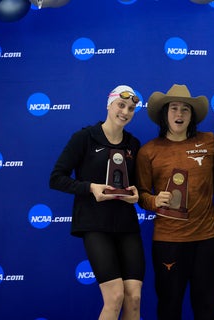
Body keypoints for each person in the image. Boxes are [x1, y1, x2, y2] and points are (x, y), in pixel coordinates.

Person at [50, 85, 144, 320]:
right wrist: (90, 188)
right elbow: (56, 178)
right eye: (120, 105)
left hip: (126, 225)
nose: (125, 112)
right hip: (94, 224)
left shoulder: (133, 144)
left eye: (131, 108)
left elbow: (138, 187)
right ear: (108, 105)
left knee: (134, 297)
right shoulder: (85, 137)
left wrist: (137, 194)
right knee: (114, 297)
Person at [135, 84, 214, 320]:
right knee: (169, 307)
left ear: (192, 115)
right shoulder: (148, 151)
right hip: (168, 241)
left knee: (207, 308)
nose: (179, 114)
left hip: (207, 240)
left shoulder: (209, 142)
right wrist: (154, 200)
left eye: (185, 109)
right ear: (165, 113)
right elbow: (140, 195)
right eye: (174, 108)